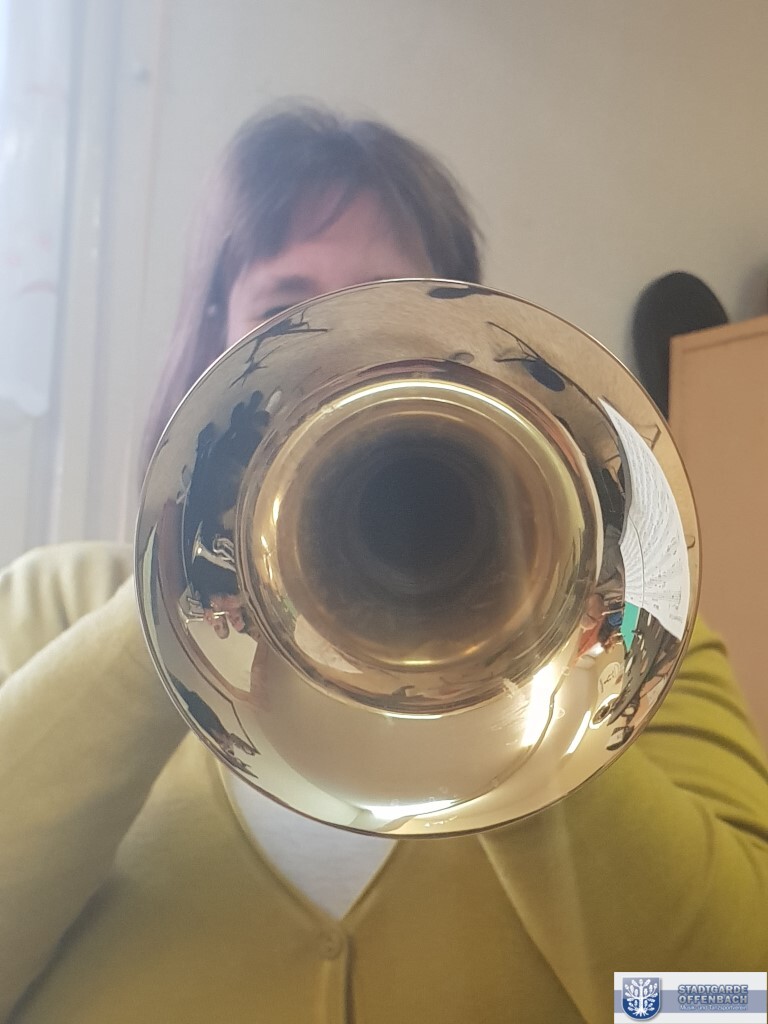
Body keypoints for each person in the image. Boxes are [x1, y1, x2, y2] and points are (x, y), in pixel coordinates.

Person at [0, 104, 766, 1024]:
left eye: (391, 303)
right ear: (210, 349)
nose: (342, 350)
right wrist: (166, 604)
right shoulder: (48, 602)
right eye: (283, 311)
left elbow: (725, 1006)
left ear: (469, 355)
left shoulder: (633, 644)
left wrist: (532, 703)